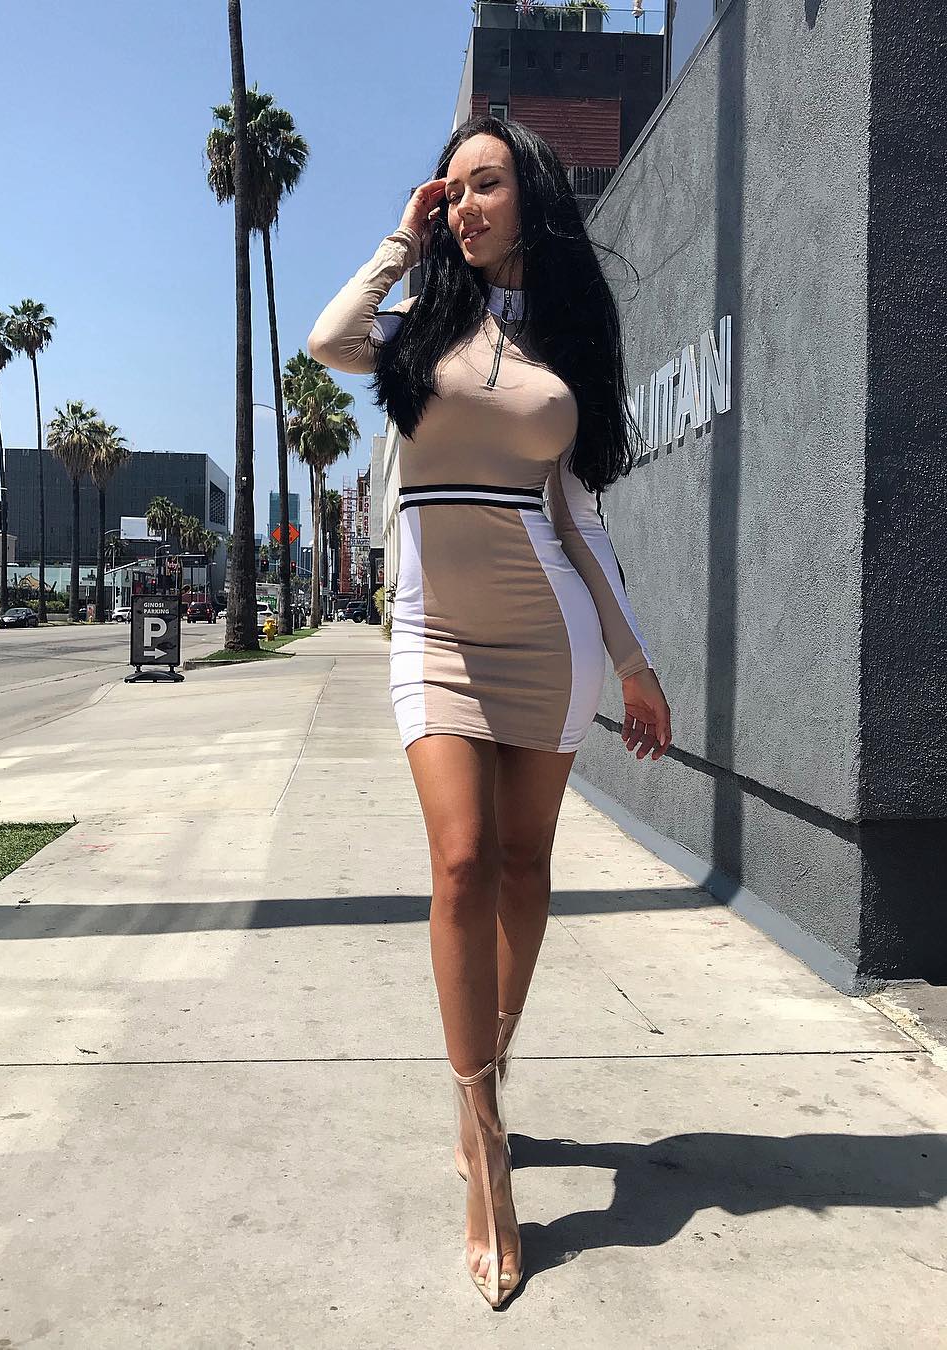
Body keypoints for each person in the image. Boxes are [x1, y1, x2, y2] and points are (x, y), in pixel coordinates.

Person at [307, 115, 673, 1309]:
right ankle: (487, 1146)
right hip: (435, 637)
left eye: (484, 184)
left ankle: (486, 1077)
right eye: (450, 189)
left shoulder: (567, 340)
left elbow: (582, 520)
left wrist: (634, 661)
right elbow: (327, 339)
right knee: (461, 863)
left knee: (524, 866)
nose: (464, 204)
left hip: (547, 636)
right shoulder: (416, 329)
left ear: (531, 198)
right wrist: (400, 241)